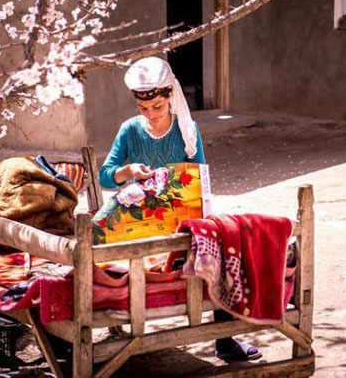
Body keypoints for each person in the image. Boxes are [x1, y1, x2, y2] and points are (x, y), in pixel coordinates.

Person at [99, 56, 261, 361]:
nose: (152, 114)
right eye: (144, 109)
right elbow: (105, 174)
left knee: (222, 243)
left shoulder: (187, 130)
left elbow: (199, 177)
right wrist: (128, 171)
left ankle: (224, 339)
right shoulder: (130, 130)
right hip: (138, 223)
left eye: (157, 107)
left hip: (179, 220)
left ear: (170, 96)